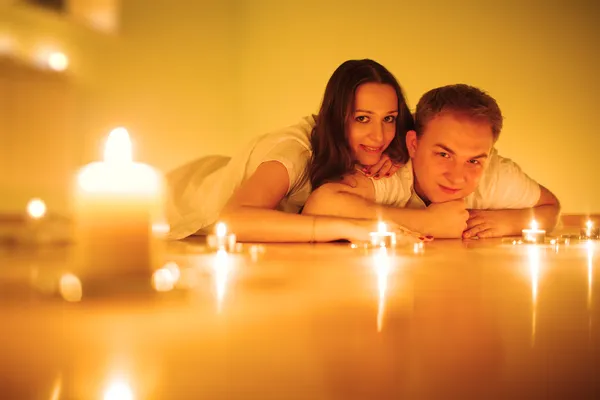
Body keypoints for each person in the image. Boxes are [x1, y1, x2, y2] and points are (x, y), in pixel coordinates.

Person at [165, 59, 422, 242]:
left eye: (388, 119)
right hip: (178, 195)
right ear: (336, 116)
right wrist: (346, 227)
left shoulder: (389, 147)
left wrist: (397, 152)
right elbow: (233, 220)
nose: (379, 136)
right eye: (362, 118)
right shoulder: (296, 152)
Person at [302, 84, 561, 239]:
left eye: (473, 160)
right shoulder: (391, 168)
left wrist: (507, 223)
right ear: (413, 145)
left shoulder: (495, 175)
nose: (457, 176)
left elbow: (550, 208)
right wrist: (428, 222)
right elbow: (321, 205)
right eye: (444, 154)